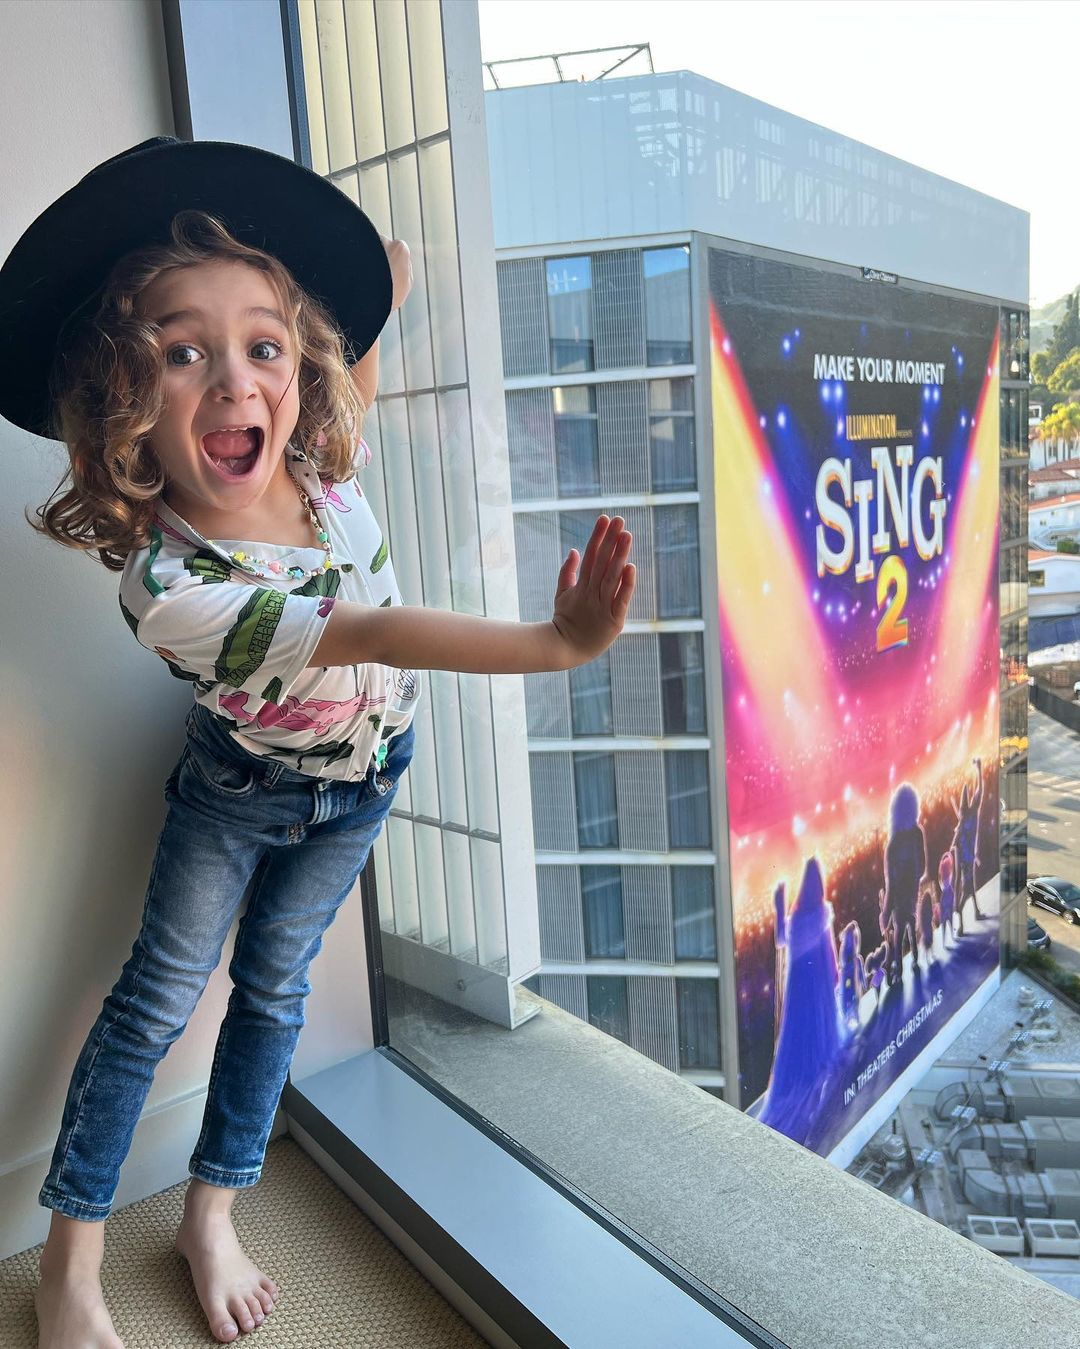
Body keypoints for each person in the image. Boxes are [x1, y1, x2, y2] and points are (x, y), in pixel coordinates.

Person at [0, 137, 636, 1349]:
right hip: (239, 796)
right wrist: (555, 643)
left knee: (276, 991)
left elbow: (355, 395)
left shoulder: (314, 467)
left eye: (264, 346)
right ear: (121, 399)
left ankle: (213, 1213)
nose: (237, 381)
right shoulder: (170, 585)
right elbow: (375, 624)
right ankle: (68, 1265)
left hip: (360, 789)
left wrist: (381, 285)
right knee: (151, 1003)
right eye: (183, 351)